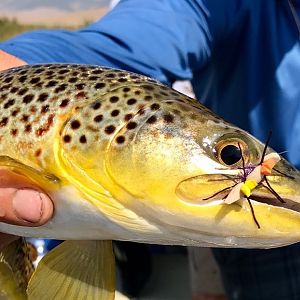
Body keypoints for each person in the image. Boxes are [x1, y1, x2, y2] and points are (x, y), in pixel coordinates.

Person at [0, 1, 300, 299]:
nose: (233, 159)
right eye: (230, 154)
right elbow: (120, 43)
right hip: (262, 254)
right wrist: (19, 66)